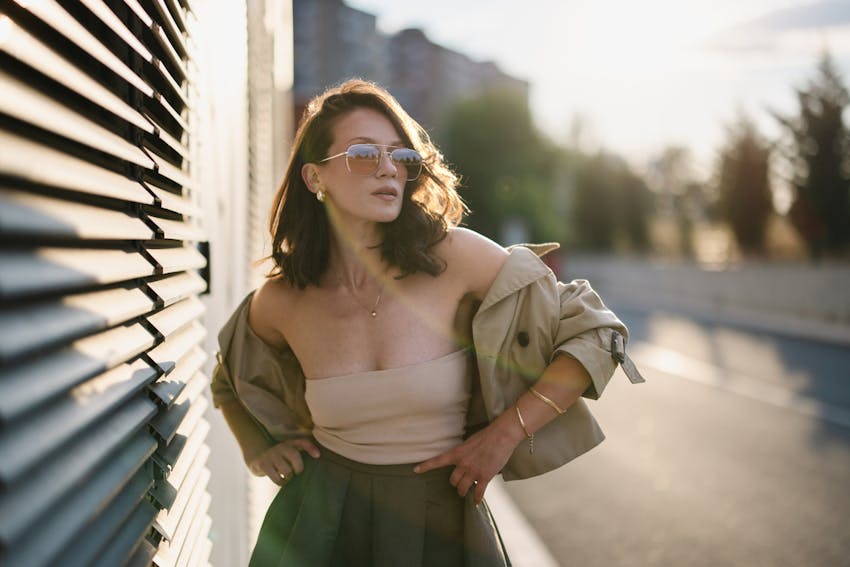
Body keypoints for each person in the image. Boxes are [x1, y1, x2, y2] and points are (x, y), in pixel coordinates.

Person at [210, 79, 643, 567]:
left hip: (440, 526)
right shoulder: (282, 299)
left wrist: (502, 437)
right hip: (318, 527)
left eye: (400, 156)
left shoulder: (456, 258)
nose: (389, 169)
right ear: (315, 178)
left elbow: (596, 331)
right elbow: (229, 379)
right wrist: (256, 448)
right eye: (363, 154)